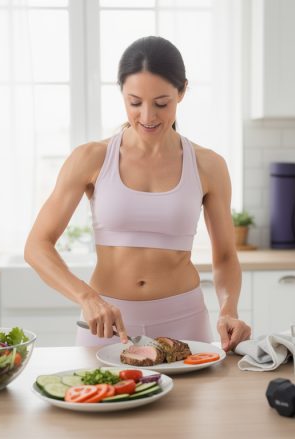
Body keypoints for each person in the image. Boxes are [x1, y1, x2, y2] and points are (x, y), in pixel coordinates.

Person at [24, 36, 251, 352]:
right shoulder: (91, 158)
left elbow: (225, 256)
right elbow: (37, 245)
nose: (147, 117)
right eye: (135, 102)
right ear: (121, 94)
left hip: (184, 322)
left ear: (181, 92)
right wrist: (87, 297)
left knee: (188, 404)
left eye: (161, 103)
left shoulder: (208, 165)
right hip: (107, 326)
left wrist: (229, 310)